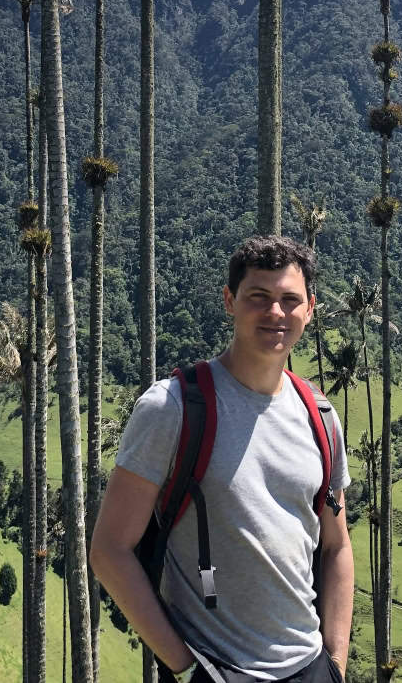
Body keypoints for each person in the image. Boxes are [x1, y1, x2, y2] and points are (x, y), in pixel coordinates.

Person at [91, 236, 353, 683]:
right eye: (259, 297)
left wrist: (335, 663)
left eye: (290, 300)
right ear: (230, 301)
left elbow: (336, 545)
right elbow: (110, 550)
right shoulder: (172, 408)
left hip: (310, 667)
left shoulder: (320, 416)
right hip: (219, 670)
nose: (276, 313)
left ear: (309, 309)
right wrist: (186, 666)